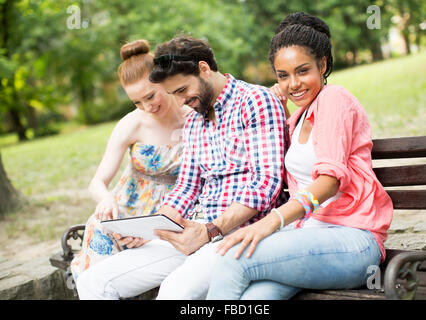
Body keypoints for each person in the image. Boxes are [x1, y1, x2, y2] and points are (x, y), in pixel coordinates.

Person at [75, 35, 286, 300]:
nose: (180, 101)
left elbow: (265, 184)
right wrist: (153, 229)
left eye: (182, 90)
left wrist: (209, 231)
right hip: (194, 231)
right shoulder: (195, 122)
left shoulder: (255, 101)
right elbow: (186, 187)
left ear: (204, 69)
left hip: (241, 233)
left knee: (173, 292)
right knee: (94, 282)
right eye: (173, 94)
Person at [206, 12, 393, 300]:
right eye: (283, 75)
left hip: (352, 240)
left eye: (302, 71)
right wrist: (276, 103)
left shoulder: (334, 98)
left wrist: (272, 221)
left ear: (323, 64)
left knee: (234, 256)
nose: (293, 83)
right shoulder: (297, 119)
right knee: (256, 298)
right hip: (306, 238)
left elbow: (329, 181)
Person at [70, 39, 191, 282]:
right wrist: (105, 199)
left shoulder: (193, 116)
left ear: (164, 81)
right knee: (100, 228)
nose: (146, 107)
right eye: (137, 101)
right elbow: (98, 181)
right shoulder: (131, 124)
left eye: (150, 96)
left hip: (175, 210)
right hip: (129, 211)